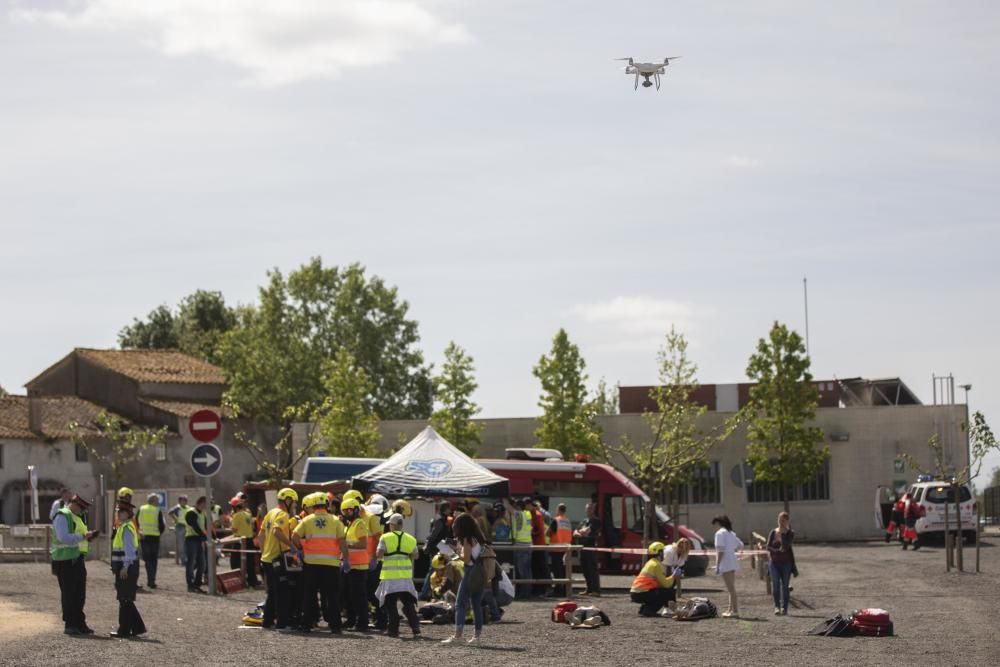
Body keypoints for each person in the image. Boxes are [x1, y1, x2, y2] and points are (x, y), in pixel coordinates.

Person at [292, 492, 347, 634]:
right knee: (332, 596)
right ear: (327, 505)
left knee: (309, 595)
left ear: (313, 506)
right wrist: (346, 558)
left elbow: (294, 536)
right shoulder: (336, 521)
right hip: (331, 565)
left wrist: (301, 548)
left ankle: (307, 625)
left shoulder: (307, 520)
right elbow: (342, 542)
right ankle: (335, 627)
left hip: (311, 563)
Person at [51, 494, 98, 635]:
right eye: (82, 508)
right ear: (75, 504)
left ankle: (79, 622)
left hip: (76, 558)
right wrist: (83, 536)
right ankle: (70, 624)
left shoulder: (75, 517)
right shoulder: (62, 516)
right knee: (69, 594)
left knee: (79, 594)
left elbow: (77, 537)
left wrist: (87, 537)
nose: (83, 511)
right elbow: (63, 538)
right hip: (65, 560)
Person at [441, 513, 489, 645]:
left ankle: (458, 636)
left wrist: (455, 551)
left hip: (469, 573)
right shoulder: (478, 538)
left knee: (460, 604)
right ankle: (477, 637)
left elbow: (466, 559)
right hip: (480, 574)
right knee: (476, 605)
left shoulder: (467, 539)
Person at [375, 513, 421, 639]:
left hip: (390, 578)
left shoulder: (385, 537)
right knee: (408, 603)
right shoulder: (411, 538)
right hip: (405, 578)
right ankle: (415, 627)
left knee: (391, 605)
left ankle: (393, 630)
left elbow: (379, 554)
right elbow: (416, 555)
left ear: (392, 525)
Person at [259, 487, 298, 629]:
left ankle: (267, 621)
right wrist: (291, 545)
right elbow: (277, 531)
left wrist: (263, 552)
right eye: (293, 502)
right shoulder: (283, 515)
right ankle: (282, 623)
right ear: (287, 500)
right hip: (278, 559)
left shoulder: (270, 513)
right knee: (282, 592)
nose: (294, 505)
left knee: (272, 592)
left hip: (267, 559)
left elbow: (260, 535)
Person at [110, 502, 146, 638]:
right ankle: (136, 628)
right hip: (126, 567)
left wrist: (125, 567)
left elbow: (129, 551)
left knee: (125, 599)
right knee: (126, 599)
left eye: (121, 512)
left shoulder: (126, 528)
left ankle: (125, 630)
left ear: (128, 513)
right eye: (118, 511)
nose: (118, 514)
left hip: (127, 568)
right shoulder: (124, 527)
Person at [341, 497, 371, 631]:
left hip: (359, 566)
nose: (347, 513)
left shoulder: (359, 524)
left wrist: (347, 544)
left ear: (356, 510)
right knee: (349, 596)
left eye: (349, 510)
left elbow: (363, 544)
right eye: (345, 511)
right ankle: (351, 620)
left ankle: (363, 623)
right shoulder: (349, 525)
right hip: (350, 566)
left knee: (359, 597)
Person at [630, 542, 678, 617]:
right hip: (642, 593)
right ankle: (650, 611)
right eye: (663, 552)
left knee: (658, 592)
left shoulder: (650, 562)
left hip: (636, 593)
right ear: (660, 553)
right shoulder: (656, 565)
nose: (664, 554)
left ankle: (643, 609)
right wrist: (674, 576)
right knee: (668, 592)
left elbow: (659, 583)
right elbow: (666, 584)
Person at [419, 501, 453, 600]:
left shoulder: (443, 520)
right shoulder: (439, 520)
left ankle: (432, 592)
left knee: (438, 570)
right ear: (444, 509)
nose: (450, 510)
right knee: (433, 570)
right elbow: (433, 535)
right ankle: (425, 593)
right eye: (448, 508)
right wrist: (427, 545)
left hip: (441, 549)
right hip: (437, 550)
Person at [712, 515, 744, 618]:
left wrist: (717, 565)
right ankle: (730, 610)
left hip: (725, 562)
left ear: (718, 523)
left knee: (731, 588)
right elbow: (740, 545)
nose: (714, 527)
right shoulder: (731, 533)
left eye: (715, 525)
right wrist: (732, 550)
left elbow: (720, 551)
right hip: (732, 561)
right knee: (731, 588)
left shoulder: (719, 533)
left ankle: (734, 611)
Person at [767, 512, 795, 616]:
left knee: (785, 585)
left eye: (783, 520)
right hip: (774, 562)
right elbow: (768, 546)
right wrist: (775, 550)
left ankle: (785, 608)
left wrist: (782, 535)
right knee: (775, 585)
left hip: (786, 563)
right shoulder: (773, 532)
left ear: (787, 521)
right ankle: (777, 607)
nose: (781, 522)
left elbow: (786, 546)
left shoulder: (790, 533)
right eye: (779, 520)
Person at [229, 496, 259, 587]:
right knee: (250, 562)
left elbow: (234, 529)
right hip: (249, 540)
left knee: (234, 561)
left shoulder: (236, 516)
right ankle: (252, 581)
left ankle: (237, 580)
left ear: (234, 507)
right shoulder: (248, 514)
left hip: (239, 541)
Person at [137, 494, 165, 589]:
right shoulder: (157, 510)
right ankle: (152, 580)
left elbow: (136, 521)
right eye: (157, 500)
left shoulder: (141, 508)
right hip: (155, 537)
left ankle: (150, 579)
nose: (158, 502)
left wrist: (139, 532)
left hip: (144, 537)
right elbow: (161, 525)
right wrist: (158, 532)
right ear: (153, 501)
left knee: (147, 559)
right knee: (154, 560)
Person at [575, 502, 602, 597]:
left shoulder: (595, 520)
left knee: (592, 569)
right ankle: (589, 588)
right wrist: (580, 533)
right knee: (585, 569)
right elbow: (575, 531)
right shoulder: (584, 521)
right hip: (582, 548)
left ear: (593, 509)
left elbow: (588, 532)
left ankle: (596, 590)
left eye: (590, 508)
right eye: (587, 508)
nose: (588, 510)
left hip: (590, 548)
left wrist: (581, 532)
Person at [510, 498, 533, 598]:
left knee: (522, 571)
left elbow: (509, 509)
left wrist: (504, 498)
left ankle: (524, 593)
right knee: (525, 570)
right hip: (526, 544)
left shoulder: (519, 514)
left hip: (521, 545)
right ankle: (524, 592)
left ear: (518, 507)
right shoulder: (527, 514)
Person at [184, 497, 208, 593]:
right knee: (190, 563)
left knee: (202, 563)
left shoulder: (202, 513)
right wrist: (205, 537)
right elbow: (195, 527)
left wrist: (212, 537)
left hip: (199, 540)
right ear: (201, 503)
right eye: (206, 503)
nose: (207, 506)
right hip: (191, 539)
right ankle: (190, 585)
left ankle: (197, 584)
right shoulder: (191, 512)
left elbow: (205, 527)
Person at [547, 503, 572, 593]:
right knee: (564, 571)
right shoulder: (568, 521)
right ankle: (565, 590)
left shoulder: (556, 520)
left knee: (557, 571)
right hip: (566, 549)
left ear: (558, 510)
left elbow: (548, 533)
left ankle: (558, 590)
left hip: (556, 548)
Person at [529, 497, 551, 596]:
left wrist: (530, 532)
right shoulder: (539, 514)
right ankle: (542, 588)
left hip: (539, 545)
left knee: (540, 568)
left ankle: (543, 589)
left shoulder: (537, 515)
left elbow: (536, 530)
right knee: (541, 568)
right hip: (541, 544)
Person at [168, 495, 190, 565]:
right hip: (180, 526)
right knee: (182, 544)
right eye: (183, 500)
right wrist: (175, 519)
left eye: (186, 500)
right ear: (180, 501)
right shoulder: (177, 508)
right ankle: (183, 561)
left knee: (188, 544)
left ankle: (188, 559)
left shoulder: (188, 508)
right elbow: (170, 512)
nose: (185, 502)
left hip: (187, 527)